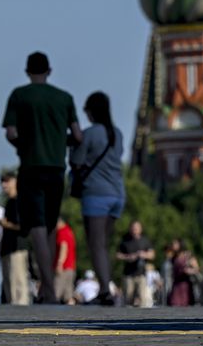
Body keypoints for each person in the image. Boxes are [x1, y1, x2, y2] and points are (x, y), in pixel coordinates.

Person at [2, 51, 83, 303]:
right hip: (57, 169)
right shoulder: (64, 98)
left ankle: (47, 286)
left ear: (27, 72)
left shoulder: (19, 96)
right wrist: (61, 142)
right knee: (49, 225)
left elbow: (11, 132)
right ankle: (48, 285)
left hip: (31, 167)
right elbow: (78, 136)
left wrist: (24, 145)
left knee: (36, 226)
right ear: (49, 71)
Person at [71, 91, 125, 306]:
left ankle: (105, 291)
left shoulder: (90, 133)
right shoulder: (117, 133)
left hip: (96, 194)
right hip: (117, 194)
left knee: (96, 245)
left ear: (91, 111)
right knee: (104, 244)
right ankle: (106, 287)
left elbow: (77, 161)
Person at [0, 171, 31, 305]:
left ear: (15, 182)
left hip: (18, 247)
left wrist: (6, 224)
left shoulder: (20, 201)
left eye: (7, 181)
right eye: (2, 182)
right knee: (8, 281)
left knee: (18, 279)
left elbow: (24, 226)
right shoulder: (9, 202)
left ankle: (21, 308)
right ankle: (12, 308)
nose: (4, 185)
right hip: (7, 247)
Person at [116, 220, 154, 308]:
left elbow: (152, 254)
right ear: (130, 229)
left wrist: (143, 254)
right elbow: (117, 255)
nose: (135, 230)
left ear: (141, 229)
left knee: (143, 297)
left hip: (141, 273)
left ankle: (142, 318)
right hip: (128, 274)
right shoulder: (125, 240)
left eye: (137, 228)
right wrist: (128, 257)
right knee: (128, 297)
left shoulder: (145, 240)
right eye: (133, 228)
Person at [53, 218, 77, 304]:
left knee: (56, 292)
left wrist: (60, 263)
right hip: (71, 266)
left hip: (64, 267)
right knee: (68, 294)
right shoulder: (69, 231)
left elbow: (64, 247)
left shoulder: (62, 232)